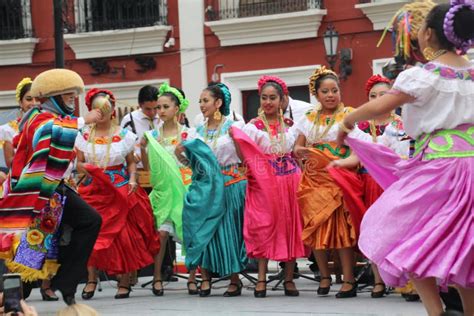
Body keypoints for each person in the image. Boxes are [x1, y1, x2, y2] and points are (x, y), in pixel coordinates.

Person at [337, 2, 474, 315]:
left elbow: (382, 107)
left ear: (427, 34)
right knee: (467, 246)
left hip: (441, 170)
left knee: (405, 235)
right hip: (471, 167)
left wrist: (346, 122)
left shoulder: (426, 76)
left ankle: (435, 311)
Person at [0, 68, 102, 305]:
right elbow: (51, 131)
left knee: (89, 220)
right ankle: (14, 301)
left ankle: (66, 283)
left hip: (55, 189)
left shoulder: (49, 118)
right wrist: (83, 120)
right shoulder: (40, 118)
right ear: (54, 98)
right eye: (68, 96)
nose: (72, 101)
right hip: (35, 192)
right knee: (26, 251)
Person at [329, 74, 410, 299]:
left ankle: (407, 280)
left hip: (393, 185)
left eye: (382, 95)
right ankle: (378, 280)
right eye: (372, 96)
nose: (377, 99)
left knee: (401, 232)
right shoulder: (362, 127)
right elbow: (356, 157)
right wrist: (337, 163)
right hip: (369, 185)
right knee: (374, 231)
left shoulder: (402, 125)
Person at [76, 88, 160, 300]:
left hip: (119, 186)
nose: (102, 112)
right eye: (97, 108)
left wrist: (132, 179)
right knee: (91, 236)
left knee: (123, 235)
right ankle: (91, 279)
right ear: (91, 110)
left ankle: (124, 280)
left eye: (106, 107)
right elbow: (79, 163)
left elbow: (131, 163)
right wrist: (87, 169)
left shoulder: (124, 136)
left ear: (112, 110)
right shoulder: (83, 135)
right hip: (94, 189)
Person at [231, 75, 306, 298]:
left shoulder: (292, 126)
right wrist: (236, 140)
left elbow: (297, 154)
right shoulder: (252, 127)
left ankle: (289, 278)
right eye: (264, 97)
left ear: (282, 100)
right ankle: (261, 278)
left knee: (290, 226)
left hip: (289, 180)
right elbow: (243, 156)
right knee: (263, 226)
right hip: (263, 183)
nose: (268, 102)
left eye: (273, 97)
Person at [294, 66, 362, 298]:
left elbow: (357, 149)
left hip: (339, 176)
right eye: (325, 91)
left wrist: (340, 161)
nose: (331, 95)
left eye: (335, 90)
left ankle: (349, 279)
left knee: (342, 229)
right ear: (317, 94)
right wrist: (302, 151)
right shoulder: (308, 119)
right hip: (313, 180)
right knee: (315, 227)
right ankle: (324, 276)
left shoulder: (349, 115)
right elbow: (297, 148)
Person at [177, 83, 248, 297]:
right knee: (204, 231)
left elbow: (244, 158)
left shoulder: (233, 127)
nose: (201, 105)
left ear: (218, 103)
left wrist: (237, 142)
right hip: (206, 187)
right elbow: (188, 160)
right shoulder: (196, 131)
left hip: (230, 184)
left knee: (230, 232)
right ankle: (205, 277)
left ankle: (234, 279)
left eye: (205, 100)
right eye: (200, 101)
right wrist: (181, 154)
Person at [140, 83, 198, 296]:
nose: (160, 111)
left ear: (177, 109)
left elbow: (196, 164)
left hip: (184, 190)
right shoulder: (153, 137)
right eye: (158, 107)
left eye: (165, 107)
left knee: (189, 234)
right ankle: (157, 277)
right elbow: (149, 166)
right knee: (161, 234)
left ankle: (193, 276)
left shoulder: (189, 135)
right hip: (164, 192)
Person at [120, 85, 160, 166]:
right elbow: (121, 143)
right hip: (139, 169)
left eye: (156, 108)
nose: (152, 112)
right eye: (148, 109)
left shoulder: (163, 118)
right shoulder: (129, 120)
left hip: (162, 169)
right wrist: (132, 155)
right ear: (140, 104)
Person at [0, 78, 36, 169]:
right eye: (29, 99)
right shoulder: (9, 130)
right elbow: (10, 163)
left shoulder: (47, 125)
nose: (34, 103)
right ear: (20, 103)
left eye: (37, 99)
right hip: (20, 180)